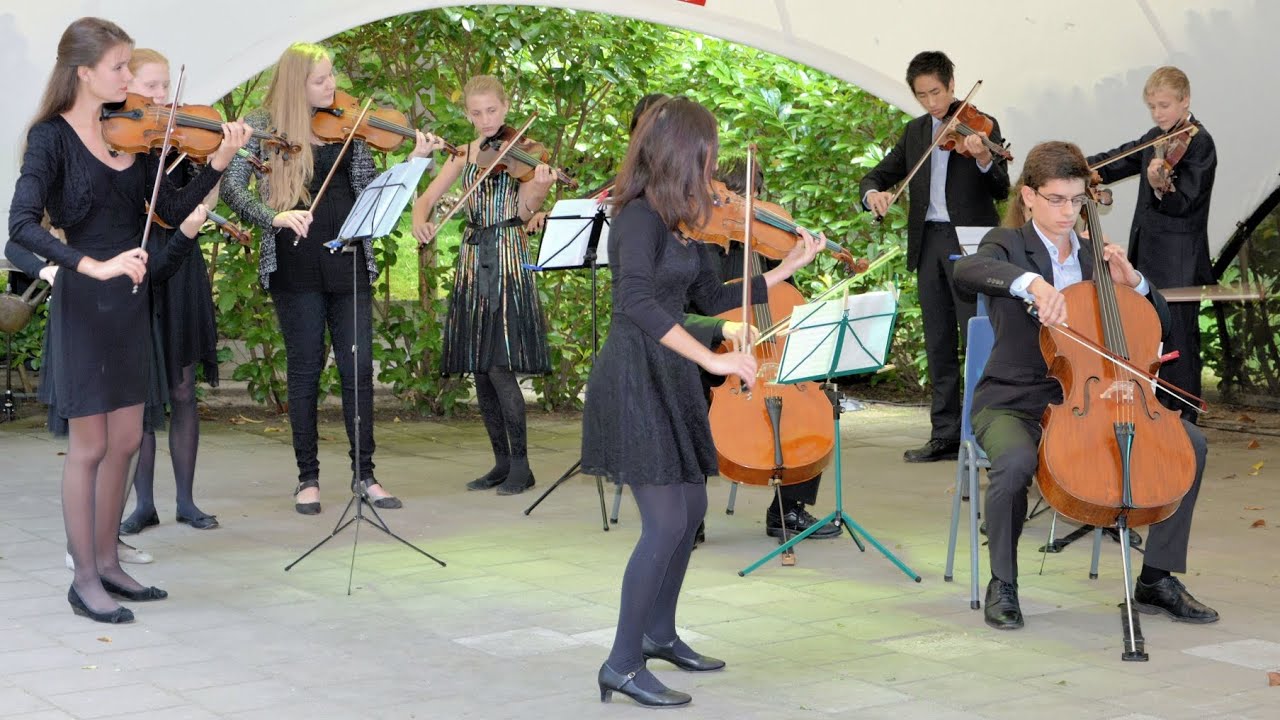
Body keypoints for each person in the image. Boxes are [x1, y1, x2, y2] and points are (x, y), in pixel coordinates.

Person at [580, 96, 823, 707]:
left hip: (670, 373)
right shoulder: (636, 218)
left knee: (689, 510)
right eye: (708, 154)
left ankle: (659, 635)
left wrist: (785, 268)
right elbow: (636, 303)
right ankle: (621, 663)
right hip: (635, 377)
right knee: (665, 522)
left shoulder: (681, 220)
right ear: (681, 153)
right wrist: (713, 359)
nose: (714, 169)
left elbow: (713, 296)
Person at [8, 16, 250, 623]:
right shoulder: (50, 138)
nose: (129, 78)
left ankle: (110, 563)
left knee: (124, 441)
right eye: (118, 67)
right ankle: (83, 577)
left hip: (130, 302)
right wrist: (88, 264)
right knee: (89, 446)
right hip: (86, 302)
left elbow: (169, 207)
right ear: (84, 72)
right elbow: (21, 224)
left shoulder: (133, 137)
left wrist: (219, 161)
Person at [952, 140, 1218, 631]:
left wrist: (1135, 283)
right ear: (1029, 196)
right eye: (1056, 199)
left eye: (1076, 200)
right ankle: (1003, 583)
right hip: (1015, 400)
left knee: (1191, 445)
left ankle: (1156, 579)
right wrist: (1031, 283)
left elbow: (1158, 323)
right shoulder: (1007, 244)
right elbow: (966, 271)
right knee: (1014, 463)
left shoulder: (1098, 256)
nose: (1067, 211)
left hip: (1094, 399)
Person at [222, 42, 442, 514]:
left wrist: (415, 162)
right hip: (294, 263)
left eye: (331, 76)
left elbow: (370, 188)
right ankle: (308, 478)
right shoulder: (262, 127)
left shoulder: (349, 127)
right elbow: (232, 187)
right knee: (305, 370)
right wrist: (273, 217)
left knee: (358, 370)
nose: (332, 86)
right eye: (321, 79)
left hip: (349, 258)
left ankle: (365, 475)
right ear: (296, 84)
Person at [859, 50, 1010, 463]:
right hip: (929, 243)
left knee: (977, 339)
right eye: (922, 96)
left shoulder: (982, 125)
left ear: (952, 85)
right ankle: (944, 434)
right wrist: (873, 194)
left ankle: (985, 432)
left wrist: (983, 157)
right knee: (939, 341)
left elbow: (1002, 188)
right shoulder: (914, 133)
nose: (931, 103)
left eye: (937, 93)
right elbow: (877, 175)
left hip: (972, 245)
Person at [411, 75, 554, 496]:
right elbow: (425, 200)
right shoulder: (465, 154)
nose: (486, 119)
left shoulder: (524, 152)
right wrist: (421, 222)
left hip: (507, 256)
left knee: (500, 366)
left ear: (506, 107)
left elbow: (524, 211)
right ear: (467, 114)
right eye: (477, 113)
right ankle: (501, 463)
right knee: (480, 369)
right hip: (474, 260)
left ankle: (522, 467)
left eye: (492, 110)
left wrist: (539, 188)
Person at [701, 156, 840, 541]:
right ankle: (689, 514)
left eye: (755, 198)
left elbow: (788, 305)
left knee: (818, 398)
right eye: (738, 198)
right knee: (688, 396)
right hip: (718, 354)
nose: (748, 210)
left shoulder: (771, 246)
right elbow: (698, 306)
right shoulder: (707, 244)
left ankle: (788, 509)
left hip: (770, 358)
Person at [120, 48, 222, 535]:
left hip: (180, 263)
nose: (163, 96)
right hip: (136, 262)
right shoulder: (120, 141)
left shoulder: (180, 137)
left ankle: (186, 500)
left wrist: (214, 167)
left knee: (182, 389)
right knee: (142, 396)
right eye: (152, 86)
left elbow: (198, 200)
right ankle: (143, 504)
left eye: (166, 86)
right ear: (127, 88)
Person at [1087, 66, 1215, 416]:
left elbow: (1186, 202)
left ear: (1185, 100)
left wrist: (1162, 187)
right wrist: (1080, 165)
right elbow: (1119, 160)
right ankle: (1158, 408)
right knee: (1153, 333)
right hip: (1149, 253)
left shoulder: (1200, 144)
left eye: (1164, 105)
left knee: (1180, 337)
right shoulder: (1156, 138)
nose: (1158, 113)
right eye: (1153, 106)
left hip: (1179, 259)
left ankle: (1184, 413)